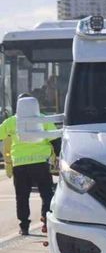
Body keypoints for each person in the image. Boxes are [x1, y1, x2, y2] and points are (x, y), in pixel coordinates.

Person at [0, 94, 57, 235]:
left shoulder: (11, 122)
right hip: (40, 163)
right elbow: (55, 138)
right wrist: (57, 157)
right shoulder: (43, 119)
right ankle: (46, 220)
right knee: (46, 193)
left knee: (22, 196)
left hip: (19, 165)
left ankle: (24, 226)